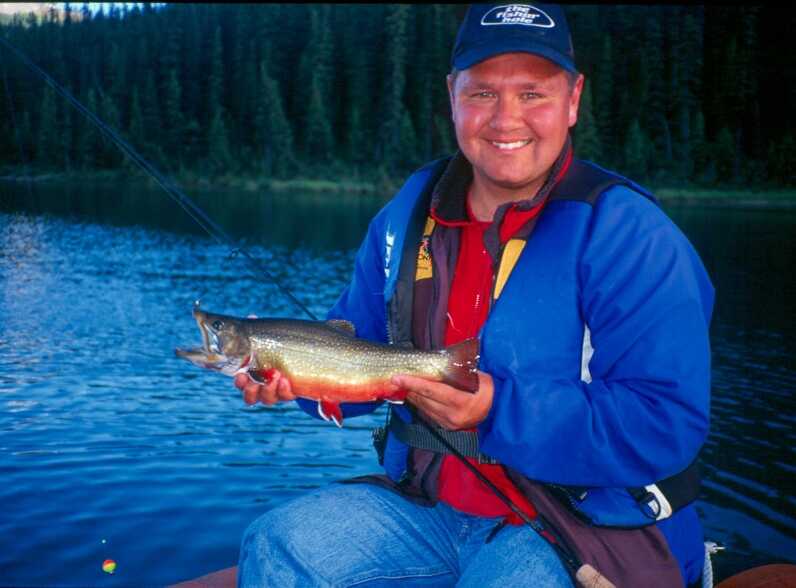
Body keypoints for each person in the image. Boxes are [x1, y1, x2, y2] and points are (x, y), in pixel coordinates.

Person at [234, 4, 714, 587]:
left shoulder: (632, 238)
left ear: (573, 99)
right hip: (427, 504)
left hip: (575, 523)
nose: (506, 119)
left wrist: (495, 408)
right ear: (451, 95)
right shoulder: (402, 219)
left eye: (533, 93)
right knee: (278, 544)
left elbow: (664, 423)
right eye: (482, 92)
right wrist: (292, 377)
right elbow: (354, 360)